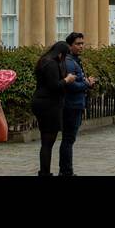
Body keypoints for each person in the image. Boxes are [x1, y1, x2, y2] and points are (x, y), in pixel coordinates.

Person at [31, 41, 75, 176]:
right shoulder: (51, 63)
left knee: (46, 141)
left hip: (42, 102)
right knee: (48, 141)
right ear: (61, 53)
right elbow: (54, 85)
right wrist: (67, 79)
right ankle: (44, 172)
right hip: (48, 104)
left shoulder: (44, 61)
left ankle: (44, 171)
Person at [60, 32, 96, 176]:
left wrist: (87, 83)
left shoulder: (74, 60)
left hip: (76, 105)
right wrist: (86, 84)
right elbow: (72, 86)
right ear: (70, 46)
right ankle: (66, 172)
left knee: (69, 139)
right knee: (68, 139)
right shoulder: (69, 62)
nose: (81, 46)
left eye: (82, 43)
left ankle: (66, 171)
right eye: (78, 44)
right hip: (71, 106)